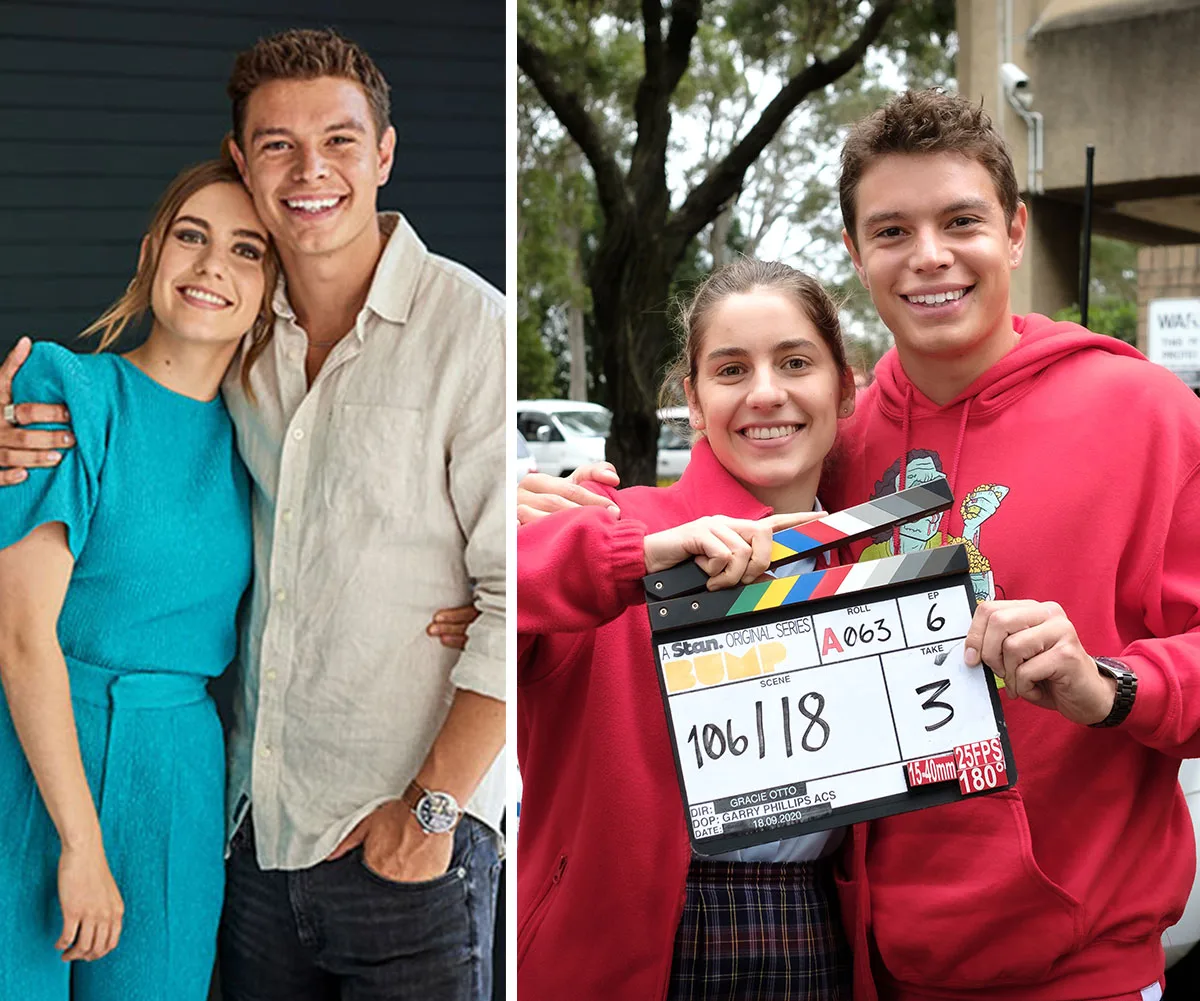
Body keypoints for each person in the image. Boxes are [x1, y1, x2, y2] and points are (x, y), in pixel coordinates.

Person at [520, 89, 1200, 1001]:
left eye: (960, 220)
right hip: (867, 958)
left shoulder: (1148, 414)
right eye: (891, 231)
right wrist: (526, 514)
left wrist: (1111, 685)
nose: (929, 256)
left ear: (1014, 230)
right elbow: (519, 594)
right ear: (856, 252)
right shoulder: (840, 451)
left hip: (1076, 966)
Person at [1, 27, 507, 1001]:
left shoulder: (471, 330)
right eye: (278, 143)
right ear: (242, 160)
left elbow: (512, 594)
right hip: (248, 830)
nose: (310, 168)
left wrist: (433, 809)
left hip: (391, 831)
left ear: (385, 154)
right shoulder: (234, 361)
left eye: (341, 140)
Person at [518, 259, 859, 1000]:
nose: (765, 392)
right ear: (694, 401)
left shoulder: (870, 557)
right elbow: (490, 600)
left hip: (816, 920)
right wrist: (607, 553)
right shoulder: (613, 527)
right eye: (731, 369)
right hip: (629, 936)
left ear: (845, 385)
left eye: (795, 361)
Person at [0, 156, 274, 998]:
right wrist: (80, 842)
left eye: (246, 250)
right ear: (155, 250)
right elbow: (20, 635)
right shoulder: (68, 389)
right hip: (36, 754)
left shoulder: (261, 444)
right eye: (191, 237)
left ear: (272, 288)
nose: (211, 267)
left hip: (177, 779)